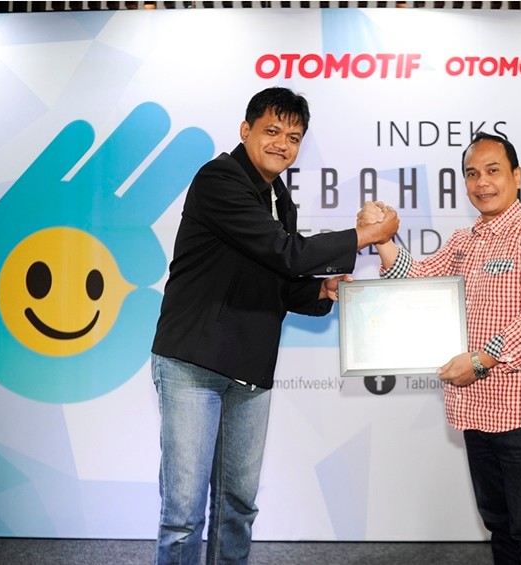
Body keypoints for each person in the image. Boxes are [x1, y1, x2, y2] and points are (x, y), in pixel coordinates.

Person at [150, 87, 398, 565]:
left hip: (250, 370)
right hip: (193, 365)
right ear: (246, 131)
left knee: (238, 507)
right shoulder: (219, 179)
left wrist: (318, 291)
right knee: (184, 515)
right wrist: (368, 234)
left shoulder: (279, 198)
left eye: (294, 137)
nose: (283, 143)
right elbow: (286, 253)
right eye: (272, 130)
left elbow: (274, 278)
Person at [372, 132, 521, 564]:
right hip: (477, 410)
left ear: (517, 176)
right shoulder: (465, 240)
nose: (482, 183)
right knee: (500, 525)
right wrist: (382, 238)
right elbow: (417, 279)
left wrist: (481, 360)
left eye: (493, 171)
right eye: (472, 174)